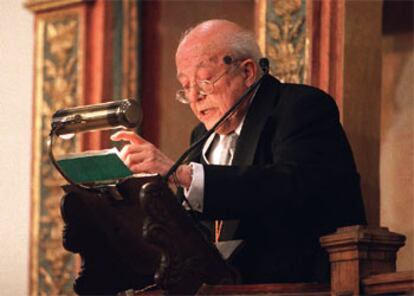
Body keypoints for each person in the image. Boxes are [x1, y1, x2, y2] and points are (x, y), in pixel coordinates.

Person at [111, 19, 366, 284]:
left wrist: (184, 175)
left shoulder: (301, 108)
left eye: (204, 82)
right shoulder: (201, 136)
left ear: (247, 72)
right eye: (186, 86)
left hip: (301, 282)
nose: (195, 97)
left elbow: (290, 185)